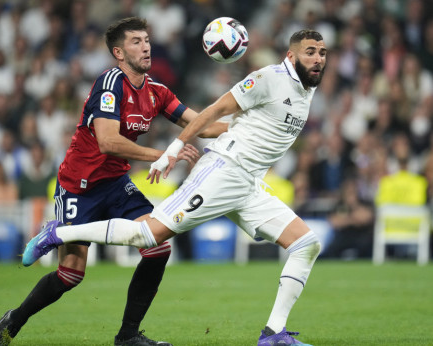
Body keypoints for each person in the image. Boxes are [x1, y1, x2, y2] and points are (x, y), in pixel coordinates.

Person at [23, 29, 327, 346]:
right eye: (309, 51)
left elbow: (237, 124)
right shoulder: (267, 78)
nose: (317, 58)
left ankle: (273, 335)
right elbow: (212, 112)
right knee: (148, 236)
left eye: (321, 52)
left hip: (249, 183)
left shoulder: (306, 88)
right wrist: (171, 150)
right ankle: (57, 234)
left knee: (306, 244)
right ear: (290, 55)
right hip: (224, 173)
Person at [0, 17, 227, 346]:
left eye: (147, 40)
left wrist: (248, 120)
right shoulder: (110, 83)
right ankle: (13, 321)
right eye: (136, 42)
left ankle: (127, 336)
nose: (146, 46)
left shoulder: (156, 92)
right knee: (71, 274)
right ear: (118, 52)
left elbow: (203, 124)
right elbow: (107, 142)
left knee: (157, 247)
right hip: (78, 185)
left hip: (115, 183)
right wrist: (164, 153)